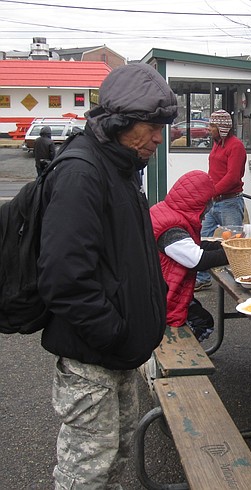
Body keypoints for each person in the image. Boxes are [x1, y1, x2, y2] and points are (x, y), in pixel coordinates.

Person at [36, 63, 177, 488]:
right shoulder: (82, 172)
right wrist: (113, 332)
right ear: (119, 122)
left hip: (116, 356)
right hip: (91, 361)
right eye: (150, 127)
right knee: (86, 476)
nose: (158, 137)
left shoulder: (118, 167)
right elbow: (63, 276)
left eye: (161, 127)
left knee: (114, 460)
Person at [150, 170, 229, 342]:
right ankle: (181, 358)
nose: (207, 211)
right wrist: (233, 254)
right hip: (161, 302)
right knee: (203, 323)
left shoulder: (167, 211)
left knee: (200, 314)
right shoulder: (171, 228)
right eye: (206, 204)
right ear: (197, 201)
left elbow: (191, 246)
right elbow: (197, 260)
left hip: (158, 290)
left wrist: (222, 246)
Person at [195, 109, 246, 291]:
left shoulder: (236, 146)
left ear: (222, 128)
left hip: (229, 202)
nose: (208, 129)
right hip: (214, 202)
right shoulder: (218, 144)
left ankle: (240, 278)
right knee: (201, 238)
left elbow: (232, 177)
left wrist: (211, 191)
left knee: (233, 244)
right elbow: (214, 171)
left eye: (212, 126)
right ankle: (202, 277)